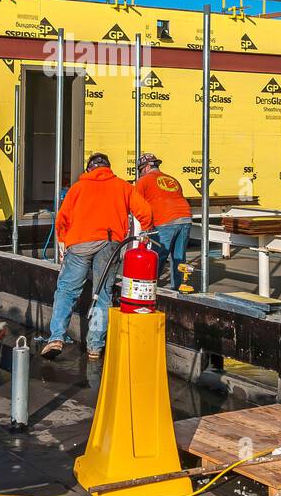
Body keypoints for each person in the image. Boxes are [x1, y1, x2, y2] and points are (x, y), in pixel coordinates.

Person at [40, 152, 152, 361]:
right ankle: (95, 347)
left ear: (89, 169)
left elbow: (62, 220)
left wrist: (64, 242)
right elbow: (145, 212)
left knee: (66, 291)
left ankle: (56, 338)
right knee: (102, 294)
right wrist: (144, 232)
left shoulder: (78, 188)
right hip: (110, 244)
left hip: (80, 244)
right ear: (108, 168)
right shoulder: (122, 186)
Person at [134, 152, 191, 289]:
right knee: (178, 257)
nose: (141, 174)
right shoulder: (172, 179)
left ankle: (151, 288)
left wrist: (143, 229)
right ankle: (178, 289)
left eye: (141, 170)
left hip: (165, 222)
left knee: (158, 256)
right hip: (185, 218)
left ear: (147, 167)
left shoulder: (144, 181)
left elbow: (136, 205)